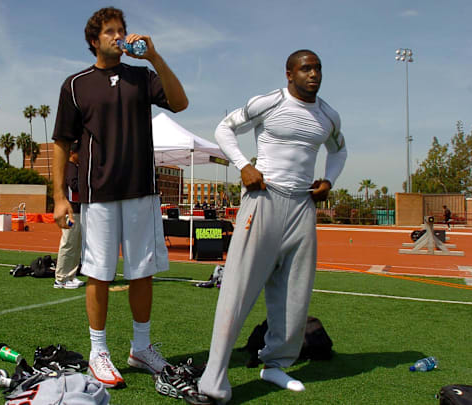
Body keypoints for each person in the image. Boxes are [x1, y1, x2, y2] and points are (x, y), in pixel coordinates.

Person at [191, 50, 348, 404]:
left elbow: (339, 151)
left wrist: (330, 180)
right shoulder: (270, 102)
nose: (314, 74)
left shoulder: (327, 115)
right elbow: (224, 128)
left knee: (295, 292)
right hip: (264, 199)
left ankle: (275, 363)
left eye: (318, 68)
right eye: (306, 68)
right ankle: (214, 378)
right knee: (239, 287)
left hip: (302, 206)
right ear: (289, 73)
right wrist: (244, 165)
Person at [51, 6, 188, 389]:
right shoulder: (76, 85)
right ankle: (99, 351)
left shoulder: (142, 77)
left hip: (142, 190)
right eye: (111, 31)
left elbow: (180, 103)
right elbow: (61, 143)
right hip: (99, 194)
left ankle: (140, 349)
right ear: (94, 40)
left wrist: (155, 56)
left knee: (142, 271)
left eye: (121, 30)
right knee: (98, 272)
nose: (119, 36)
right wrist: (60, 197)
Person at [53, 142, 85, 289]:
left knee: (76, 245)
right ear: (72, 153)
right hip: (71, 212)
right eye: (81, 153)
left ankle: (71, 275)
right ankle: (60, 278)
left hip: (78, 211)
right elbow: (74, 185)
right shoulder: (70, 167)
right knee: (68, 244)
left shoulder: (76, 167)